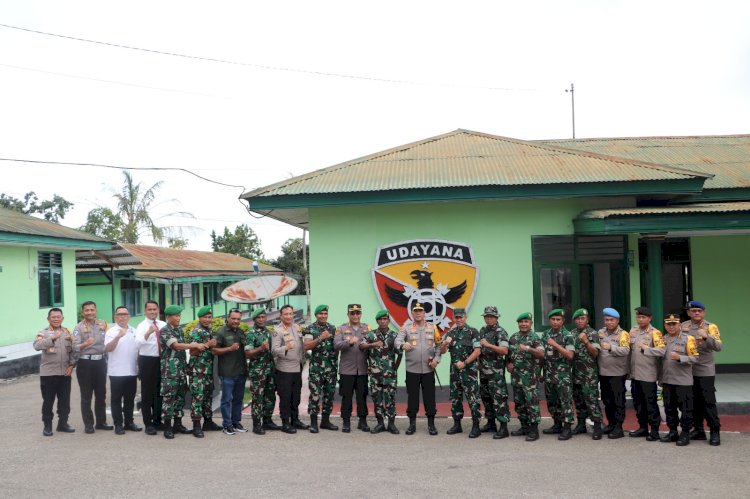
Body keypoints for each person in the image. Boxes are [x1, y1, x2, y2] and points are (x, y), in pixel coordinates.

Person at [159, 305, 208, 439]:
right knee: (169, 399)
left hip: (180, 370)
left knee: (180, 398)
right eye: (176, 316)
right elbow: (176, 346)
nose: (178, 318)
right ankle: (167, 427)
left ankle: (178, 424)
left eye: (179, 315)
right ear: (169, 317)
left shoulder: (179, 330)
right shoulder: (165, 331)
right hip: (169, 372)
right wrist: (194, 345)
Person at [395, 302, 442, 435]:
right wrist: (402, 345)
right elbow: (397, 341)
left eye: (420, 310)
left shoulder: (433, 327)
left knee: (430, 398)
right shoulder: (406, 327)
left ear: (424, 313)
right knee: (412, 398)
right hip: (412, 370)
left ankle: (431, 425)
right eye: (415, 310)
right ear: (412, 312)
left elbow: (439, 345)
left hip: (428, 370)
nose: (418, 313)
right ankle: (412, 425)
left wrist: (436, 360)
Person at [682, 300, 722, 446]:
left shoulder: (710, 327)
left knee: (708, 402)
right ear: (688, 312)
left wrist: (706, 336)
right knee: (692, 401)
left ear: (704, 312)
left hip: (705, 370)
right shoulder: (683, 327)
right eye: (693, 311)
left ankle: (715, 431)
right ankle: (698, 430)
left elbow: (718, 346)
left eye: (699, 311)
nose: (696, 313)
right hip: (688, 370)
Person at [34, 308, 76, 436]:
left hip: (65, 373)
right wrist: (52, 338)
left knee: (65, 402)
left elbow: (73, 351)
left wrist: (72, 365)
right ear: (48, 319)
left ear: (62, 318)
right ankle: (47, 426)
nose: (56, 319)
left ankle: (63, 424)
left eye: (59, 317)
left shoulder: (67, 333)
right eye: (53, 317)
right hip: (48, 374)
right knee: (48, 401)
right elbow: (36, 346)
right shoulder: (43, 333)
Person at [441, 308, 482, 438]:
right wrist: (444, 344)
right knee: (455, 398)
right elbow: (442, 351)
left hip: (469, 372)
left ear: (466, 317)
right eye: (456, 317)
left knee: (473, 399)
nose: (459, 320)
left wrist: (464, 363)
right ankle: (457, 424)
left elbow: (477, 351)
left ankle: (476, 426)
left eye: (461, 317)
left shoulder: (473, 332)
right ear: (454, 318)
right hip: (454, 373)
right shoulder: (451, 332)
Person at [72, 301, 112, 434]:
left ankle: (101, 422)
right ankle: (88, 424)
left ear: (96, 310)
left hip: (100, 362)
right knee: (86, 395)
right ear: (82, 312)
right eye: (87, 310)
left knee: (101, 394)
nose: (90, 312)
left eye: (92, 310)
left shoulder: (103, 324)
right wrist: (85, 344)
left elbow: (108, 340)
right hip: (85, 364)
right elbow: (74, 347)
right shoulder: (78, 327)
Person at [660, 313, 699, 446]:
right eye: (668, 324)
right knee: (669, 408)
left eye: (674, 324)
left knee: (686, 409)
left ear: (679, 325)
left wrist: (681, 357)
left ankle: (685, 433)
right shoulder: (662, 339)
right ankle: (672, 432)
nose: (671, 327)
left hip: (683, 381)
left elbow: (695, 358)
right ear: (665, 325)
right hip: (667, 380)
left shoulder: (688, 339)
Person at [628, 306, 665, 441]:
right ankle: (643, 427)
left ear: (650, 318)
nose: (640, 319)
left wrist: (647, 349)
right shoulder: (633, 331)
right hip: (635, 374)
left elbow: (662, 351)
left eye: (643, 317)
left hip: (648, 375)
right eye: (638, 317)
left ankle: (654, 430)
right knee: (638, 403)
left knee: (650, 404)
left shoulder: (655, 333)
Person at [362, 309, 402, 434]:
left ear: (388, 320)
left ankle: (391, 424)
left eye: (385, 319)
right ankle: (380, 424)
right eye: (380, 319)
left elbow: (400, 353)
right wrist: (372, 345)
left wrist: (395, 367)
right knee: (377, 399)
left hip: (390, 374)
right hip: (375, 375)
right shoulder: (371, 335)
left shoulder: (394, 336)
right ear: (377, 321)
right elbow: (361, 346)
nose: (383, 321)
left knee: (390, 398)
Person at [507, 312, 545, 441]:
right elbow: (508, 357)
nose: (523, 324)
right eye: (521, 322)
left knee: (532, 403)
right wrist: (508, 364)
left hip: (530, 379)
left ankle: (534, 430)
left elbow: (541, 353)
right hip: (516, 378)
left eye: (526, 321)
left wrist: (528, 348)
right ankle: (524, 427)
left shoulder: (535, 338)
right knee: (519, 404)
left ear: (531, 323)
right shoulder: (513, 338)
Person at [104, 306, 142, 435]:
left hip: (131, 371)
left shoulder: (134, 331)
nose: (122, 317)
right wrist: (118, 337)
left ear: (128, 316)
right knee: (116, 399)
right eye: (119, 314)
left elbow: (138, 351)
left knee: (130, 399)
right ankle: (118, 424)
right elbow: (108, 348)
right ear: (115, 317)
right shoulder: (111, 331)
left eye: (125, 314)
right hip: (117, 372)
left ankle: (129, 423)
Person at [301, 305, 339, 433]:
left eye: (325, 313)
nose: (323, 315)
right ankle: (313, 423)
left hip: (331, 368)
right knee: (315, 395)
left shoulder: (333, 328)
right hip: (317, 369)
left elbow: (337, 346)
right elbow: (306, 346)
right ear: (316, 315)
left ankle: (325, 421)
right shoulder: (310, 329)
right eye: (320, 313)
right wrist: (320, 338)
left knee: (329, 395)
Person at [271, 304, 308, 433]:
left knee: (296, 397)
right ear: (281, 316)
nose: (289, 316)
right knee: (285, 397)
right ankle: (285, 422)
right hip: (284, 369)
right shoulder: (278, 331)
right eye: (286, 314)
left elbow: (302, 346)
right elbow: (274, 351)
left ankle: (295, 420)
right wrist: (286, 348)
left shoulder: (297, 327)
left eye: (290, 314)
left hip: (297, 368)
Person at [334, 304, 371, 433]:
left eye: (358, 313)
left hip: (362, 369)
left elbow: (371, 344)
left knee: (362, 396)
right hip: (347, 370)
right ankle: (346, 422)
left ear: (360, 314)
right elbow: (336, 345)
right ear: (348, 314)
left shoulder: (367, 328)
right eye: (352, 313)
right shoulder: (341, 329)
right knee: (346, 397)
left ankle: (362, 421)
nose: (355, 315)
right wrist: (348, 342)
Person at [540, 309, 576, 440]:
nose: (555, 322)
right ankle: (557, 424)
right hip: (549, 374)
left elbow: (570, 355)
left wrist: (555, 344)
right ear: (549, 320)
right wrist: (539, 372)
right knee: (552, 401)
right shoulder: (545, 334)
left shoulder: (568, 335)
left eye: (558, 319)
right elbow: (541, 356)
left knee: (565, 402)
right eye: (553, 319)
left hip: (563, 376)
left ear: (563, 321)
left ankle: (567, 428)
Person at [212, 308, 249, 435]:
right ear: (228, 318)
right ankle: (226, 424)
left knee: (238, 399)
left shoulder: (240, 332)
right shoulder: (220, 332)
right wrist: (229, 348)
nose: (236, 321)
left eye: (238, 319)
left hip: (240, 371)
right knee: (226, 400)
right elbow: (215, 351)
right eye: (233, 318)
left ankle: (236, 422)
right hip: (227, 372)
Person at [244, 307, 280, 434]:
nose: (261, 319)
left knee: (270, 397)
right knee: (258, 398)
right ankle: (256, 424)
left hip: (270, 370)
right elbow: (248, 353)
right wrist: (260, 348)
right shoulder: (250, 334)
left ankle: (268, 421)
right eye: (258, 318)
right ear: (254, 319)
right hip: (258, 372)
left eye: (263, 317)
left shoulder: (269, 332)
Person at [477, 305, 511, 439]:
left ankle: (503, 427)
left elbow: (504, 351)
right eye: (487, 316)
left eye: (491, 316)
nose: (489, 319)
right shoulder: (483, 330)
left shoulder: (501, 332)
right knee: (486, 398)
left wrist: (488, 345)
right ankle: (491, 423)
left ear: (496, 317)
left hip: (496, 373)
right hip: (484, 371)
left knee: (499, 399)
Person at [597, 307, 630, 439]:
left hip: (617, 373)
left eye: (611, 320)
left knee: (618, 401)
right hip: (603, 372)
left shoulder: (623, 334)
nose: (609, 322)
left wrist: (611, 347)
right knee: (607, 400)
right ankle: (610, 424)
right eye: (606, 320)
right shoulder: (601, 332)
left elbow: (626, 350)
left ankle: (618, 427)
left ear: (617, 320)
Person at [570, 308, 603, 440]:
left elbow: (595, 353)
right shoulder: (571, 334)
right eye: (578, 319)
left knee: (592, 400)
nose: (580, 321)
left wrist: (586, 341)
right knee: (578, 400)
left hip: (589, 375)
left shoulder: (593, 333)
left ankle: (597, 427)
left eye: (582, 318)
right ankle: (581, 425)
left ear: (587, 320)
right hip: (576, 373)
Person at [187, 306, 220, 438]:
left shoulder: (209, 330)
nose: (207, 319)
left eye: (209, 317)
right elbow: (192, 351)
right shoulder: (196, 331)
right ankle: (196, 426)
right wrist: (208, 345)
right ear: (199, 318)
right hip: (198, 371)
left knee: (207, 397)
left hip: (208, 370)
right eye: (205, 317)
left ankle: (208, 422)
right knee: (198, 398)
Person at [134, 300, 166, 435]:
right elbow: (137, 344)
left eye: (154, 309)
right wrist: (148, 333)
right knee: (147, 393)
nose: (152, 312)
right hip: (147, 360)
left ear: (158, 310)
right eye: (149, 309)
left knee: (160, 393)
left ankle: (158, 421)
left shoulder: (163, 324)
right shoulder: (141, 326)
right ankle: (148, 424)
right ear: (145, 311)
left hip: (161, 360)